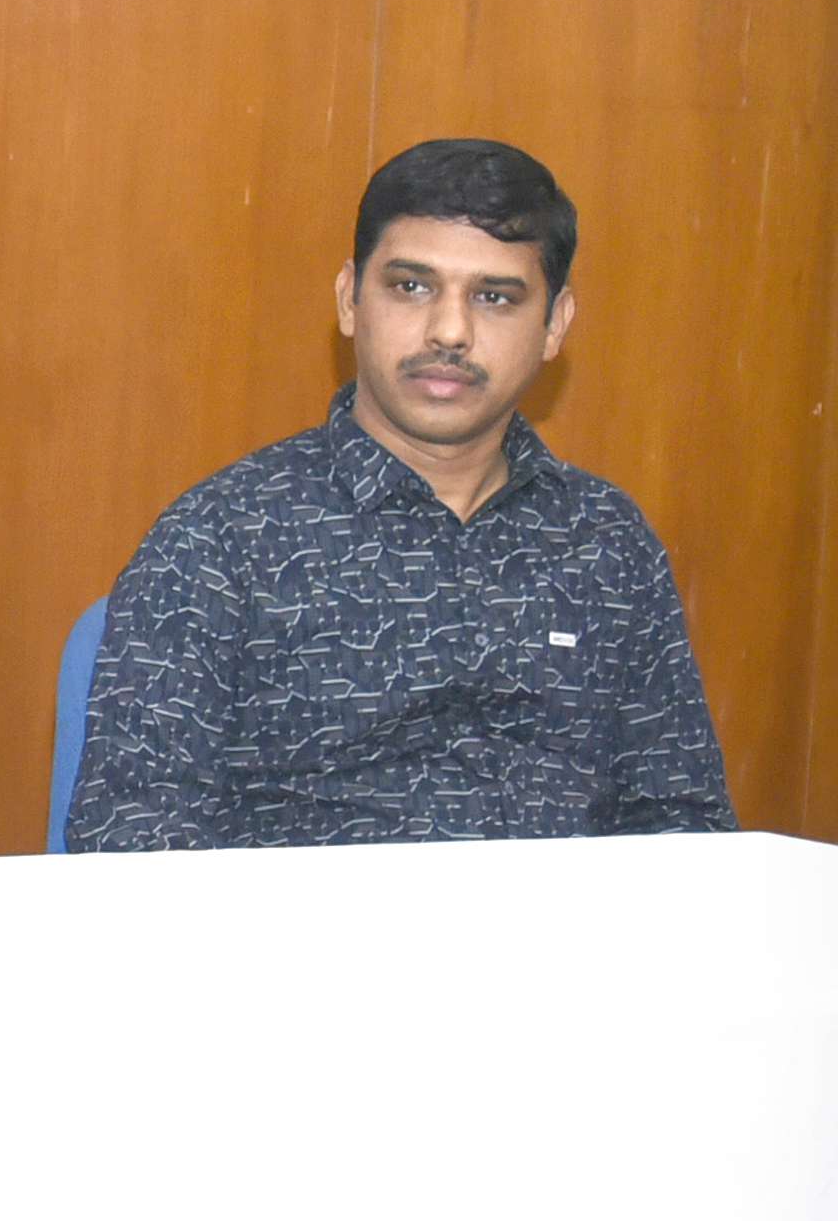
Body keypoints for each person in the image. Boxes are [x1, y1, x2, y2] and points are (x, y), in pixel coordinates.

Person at [67, 138, 728, 852]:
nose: (450, 331)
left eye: (495, 298)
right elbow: (131, 834)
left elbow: (686, 827)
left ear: (555, 326)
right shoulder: (222, 539)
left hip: (569, 925)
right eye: (411, 287)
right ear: (349, 299)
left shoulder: (607, 543)